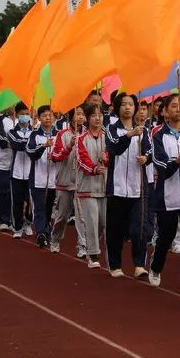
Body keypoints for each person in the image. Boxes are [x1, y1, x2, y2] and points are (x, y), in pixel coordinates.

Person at [149, 93, 180, 295]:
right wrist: (177, 161)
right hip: (166, 196)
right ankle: (156, 265)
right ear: (165, 112)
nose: (179, 109)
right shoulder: (158, 135)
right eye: (174, 106)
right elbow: (160, 165)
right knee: (166, 236)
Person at [104, 93, 153, 278]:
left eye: (131, 104)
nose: (127, 107)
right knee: (115, 229)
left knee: (138, 228)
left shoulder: (143, 131)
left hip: (137, 187)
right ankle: (115, 265)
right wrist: (130, 135)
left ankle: (139, 264)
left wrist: (146, 158)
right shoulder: (111, 129)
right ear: (118, 108)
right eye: (123, 104)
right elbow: (114, 147)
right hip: (116, 188)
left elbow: (150, 151)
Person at [49, 106, 87, 255]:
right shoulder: (62, 134)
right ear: (71, 117)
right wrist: (69, 146)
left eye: (83, 114)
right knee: (62, 216)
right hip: (64, 181)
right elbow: (55, 156)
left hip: (82, 182)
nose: (81, 117)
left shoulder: (88, 134)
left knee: (82, 216)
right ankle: (55, 238)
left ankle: (82, 245)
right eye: (78, 114)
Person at [76, 104, 110, 268]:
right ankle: (93, 255)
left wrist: (107, 157)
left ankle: (90, 244)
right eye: (94, 115)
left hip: (104, 186)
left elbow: (114, 155)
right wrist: (95, 168)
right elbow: (82, 160)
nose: (97, 118)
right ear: (87, 118)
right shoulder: (81, 139)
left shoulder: (107, 137)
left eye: (100, 115)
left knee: (103, 222)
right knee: (91, 220)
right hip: (87, 187)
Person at [26, 105, 59, 249]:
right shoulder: (34, 134)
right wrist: (43, 146)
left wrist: (55, 156)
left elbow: (63, 152)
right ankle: (41, 233)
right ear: (39, 118)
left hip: (54, 179)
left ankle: (46, 230)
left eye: (50, 115)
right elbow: (30, 151)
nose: (48, 118)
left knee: (48, 208)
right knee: (39, 207)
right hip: (38, 179)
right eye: (44, 116)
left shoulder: (58, 134)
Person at [7, 102, 36, 238]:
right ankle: (17, 227)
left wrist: (32, 144)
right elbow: (17, 144)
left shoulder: (35, 132)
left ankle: (28, 223)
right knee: (17, 201)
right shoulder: (12, 132)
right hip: (16, 172)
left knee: (31, 200)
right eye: (22, 114)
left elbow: (33, 146)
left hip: (32, 172)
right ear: (17, 115)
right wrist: (30, 144)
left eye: (27, 114)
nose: (25, 116)